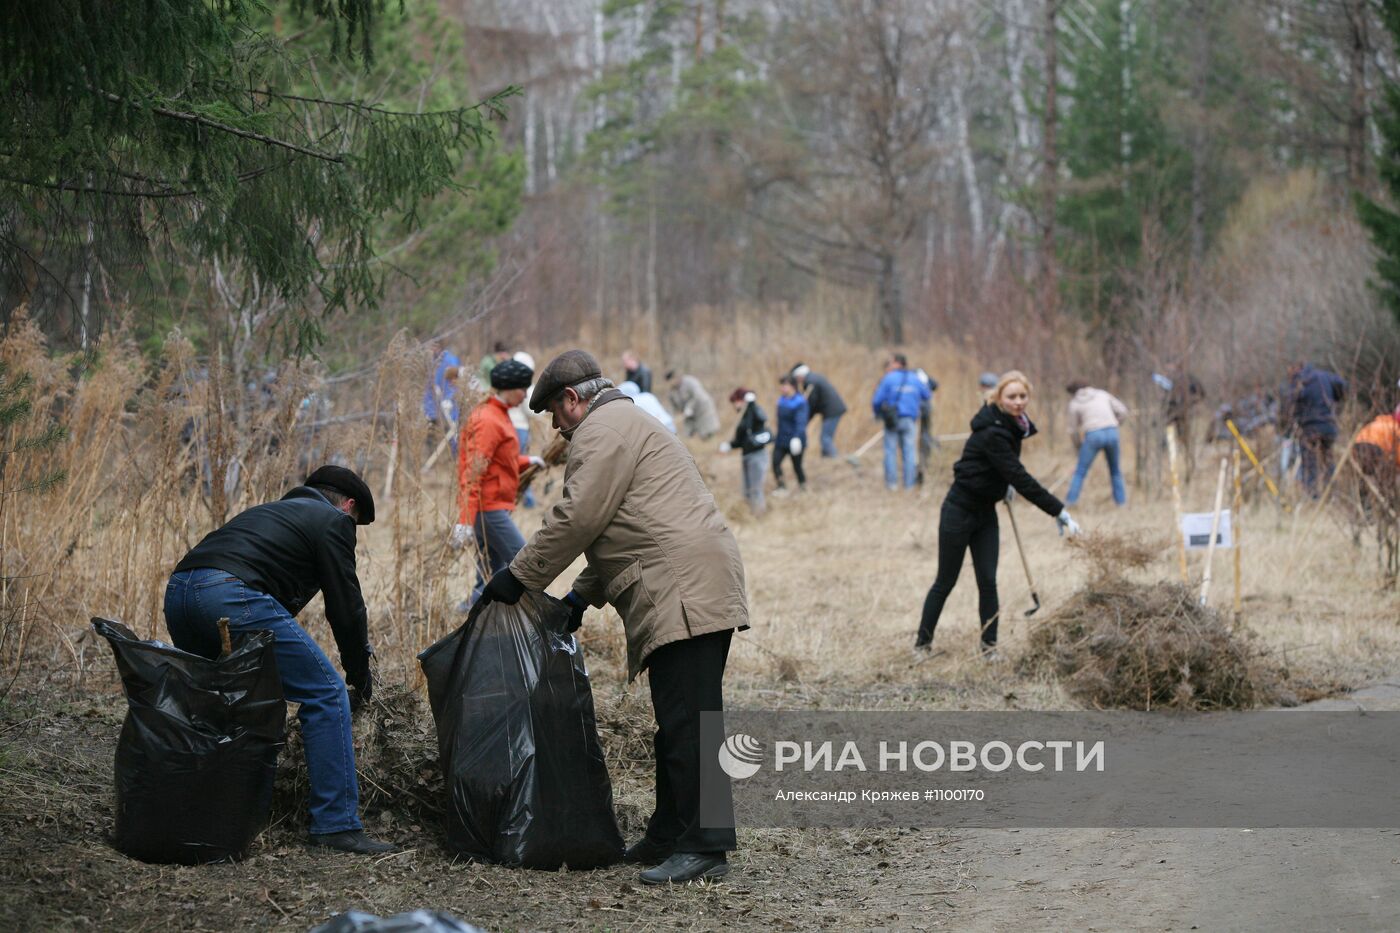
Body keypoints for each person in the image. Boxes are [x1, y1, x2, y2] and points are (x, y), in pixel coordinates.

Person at [475, 350, 749, 886]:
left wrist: (520, 575)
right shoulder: (627, 424)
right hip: (689, 579)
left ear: (573, 399)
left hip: (682, 587)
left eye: (555, 411)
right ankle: (669, 834)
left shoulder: (601, 432)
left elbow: (578, 518)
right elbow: (619, 528)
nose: (555, 425)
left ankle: (705, 847)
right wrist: (578, 598)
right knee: (678, 720)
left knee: (691, 722)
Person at [163, 466, 394, 855]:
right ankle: (336, 824)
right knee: (325, 692)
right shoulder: (333, 520)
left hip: (180, 593)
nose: (352, 528)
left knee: (219, 699)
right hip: (227, 594)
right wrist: (358, 673)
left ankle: (198, 812)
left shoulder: (271, 512)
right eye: (356, 521)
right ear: (349, 505)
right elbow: (347, 607)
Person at [916, 372, 1081, 658]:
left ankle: (989, 648)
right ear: (998, 399)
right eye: (1012, 397)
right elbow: (1018, 475)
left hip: (985, 515)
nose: (1018, 402)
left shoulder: (1013, 425)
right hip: (959, 510)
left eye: (1022, 396)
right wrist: (1058, 509)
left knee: (988, 581)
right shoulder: (992, 431)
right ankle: (922, 645)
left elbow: (1002, 469)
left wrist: (1000, 485)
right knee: (945, 581)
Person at [452, 359, 544, 609]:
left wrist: (527, 461)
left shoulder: (499, 414)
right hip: (487, 508)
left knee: (489, 570)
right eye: (522, 389)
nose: (525, 394)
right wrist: (465, 519)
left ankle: (476, 609)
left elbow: (500, 459)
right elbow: (473, 471)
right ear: (509, 387)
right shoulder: (489, 420)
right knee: (522, 557)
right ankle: (533, 611)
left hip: (493, 504)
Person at [1280, 362, 1347, 496]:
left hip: (1310, 429)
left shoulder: (1299, 382)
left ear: (1296, 368)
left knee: (1310, 464)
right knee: (1327, 460)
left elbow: (1289, 407)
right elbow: (1343, 385)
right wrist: (1336, 401)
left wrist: (1290, 426)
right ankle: (1332, 495)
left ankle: (1312, 498)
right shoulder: (1325, 376)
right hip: (1329, 426)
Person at [871, 353, 931, 490]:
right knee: (909, 452)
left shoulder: (888, 379)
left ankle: (892, 485)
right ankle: (909, 485)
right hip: (910, 420)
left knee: (890, 451)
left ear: (898, 363)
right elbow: (927, 394)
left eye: (891, 362)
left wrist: (877, 413)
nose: (889, 365)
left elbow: (877, 400)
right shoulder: (915, 378)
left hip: (892, 420)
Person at [1065, 380, 1129, 507]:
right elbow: (1123, 411)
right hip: (1112, 431)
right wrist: (1116, 423)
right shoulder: (1102, 394)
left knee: (1080, 471)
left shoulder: (1074, 403)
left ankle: (1070, 502)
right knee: (1115, 470)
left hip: (1093, 434)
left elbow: (1073, 430)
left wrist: (1078, 446)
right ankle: (1121, 503)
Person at [720, 388, 772, 515]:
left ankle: (760, 514)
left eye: (736, 402)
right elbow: (741, 440)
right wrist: (730, 445)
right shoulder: (741, 418)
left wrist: (751, 404)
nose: (734, 406)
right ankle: (749, 514)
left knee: (756, 489)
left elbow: (761, 418)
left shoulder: (753, 411)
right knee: (746, 490)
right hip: (746, 456)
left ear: (741, 400)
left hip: (757, 456)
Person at [791, 364, 847, 457]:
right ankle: (826, 459)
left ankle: (834, 459)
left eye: (796, 378)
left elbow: (811, 403)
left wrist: (806, 418)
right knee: (826, 437)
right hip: (832, 410)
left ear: (800, 375)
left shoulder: (810, 382)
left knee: (825, 438)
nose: (797, 381)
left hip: (832, 411)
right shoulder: (814, 377)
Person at [508, 351, 538, 508]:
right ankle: (528, 500)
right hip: (520, 429)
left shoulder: (506, 381)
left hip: (507, 427)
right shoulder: (524, 385)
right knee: (521, 465)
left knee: (511, 465)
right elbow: (532, 410)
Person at [772, 375, 809, 493]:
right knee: (775, 462)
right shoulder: (781, 401)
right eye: (781, 386)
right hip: (781, 439)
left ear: (792, 386)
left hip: (795, 440)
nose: (782, 388)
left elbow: (801, 422)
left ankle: (803, 486)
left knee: (797, 465)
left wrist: (797, 437)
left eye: (784, 385)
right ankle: (781, 487)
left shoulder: (800, 402)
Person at [667, 370, 721, 439]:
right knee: (688, 434)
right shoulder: (671, 391)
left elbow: (698, 395)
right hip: (688, 416)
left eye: (672, 380)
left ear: (675, 378)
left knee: (707, 433)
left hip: (702, 410)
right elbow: (674, 406)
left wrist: (689, 407)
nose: (671, 384)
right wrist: (672, 417)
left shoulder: (690, 381)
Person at [424, 340, 461, 429]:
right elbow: (429, 387)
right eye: (431, 347)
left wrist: (449, 402)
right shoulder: (431, 362)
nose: (432, 349)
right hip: (433, 408)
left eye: (434, 346)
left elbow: (452, 384)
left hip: (448, 409)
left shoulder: (450, 361)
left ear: (440, 347)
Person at [912, 365, 939, 484]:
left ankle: (918, 464)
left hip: (916, 409)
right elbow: (934, 386)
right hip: (926, 408)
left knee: (917, 436)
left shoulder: (912, 376)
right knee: (925, 434)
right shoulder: (925, 377)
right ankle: (923, 460)